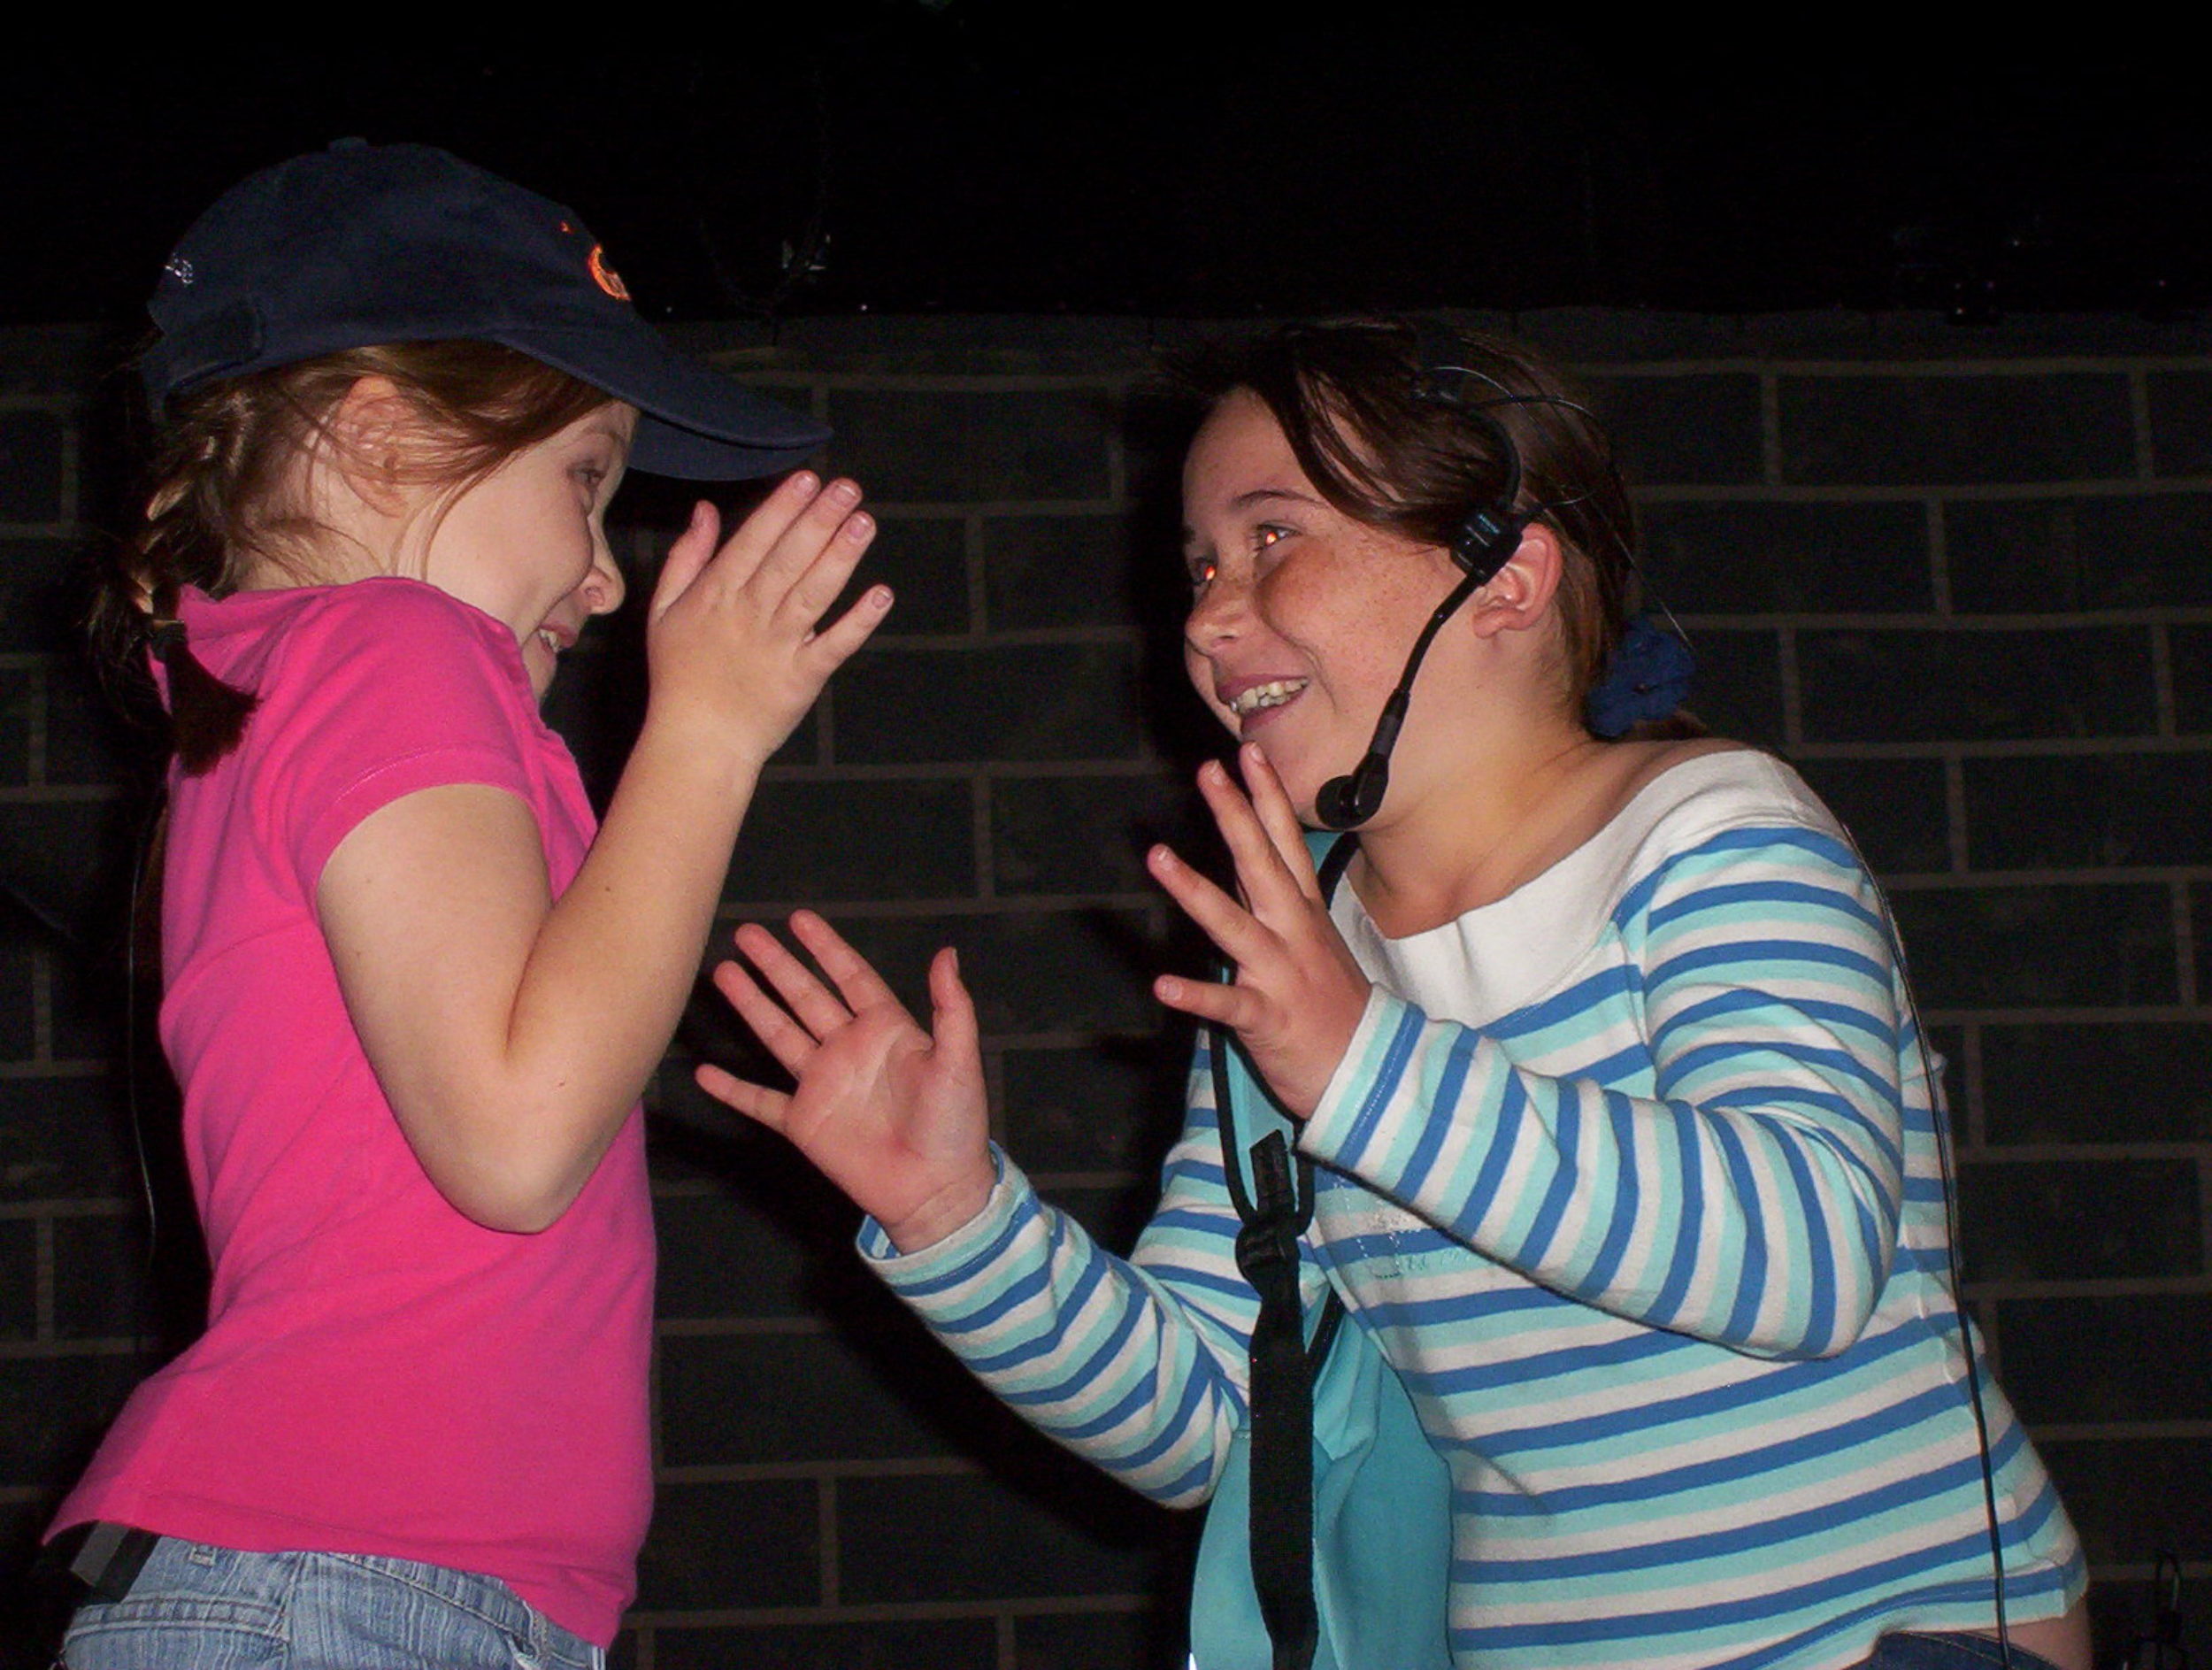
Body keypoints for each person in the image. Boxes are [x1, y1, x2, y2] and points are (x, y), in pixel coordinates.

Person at [695, 318, 2093, 1670]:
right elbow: (1216, 1426)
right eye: (1200, 565)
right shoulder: (1295, 959)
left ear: (1505, 577)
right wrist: (954, 1219)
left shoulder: (1712, 831)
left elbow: (1807, 1256)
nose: (1208, 617)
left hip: (1878, 1638)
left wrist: (1358, 1063)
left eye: (1274, 537)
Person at [47, 141, 887, 1669]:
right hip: (342, 1587)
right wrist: (707, 735)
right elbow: (514, 1135)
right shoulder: (391, 643)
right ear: (376, 438)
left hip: (363, 1587)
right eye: (587, 480)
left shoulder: (290, 683)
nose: (608, 576)